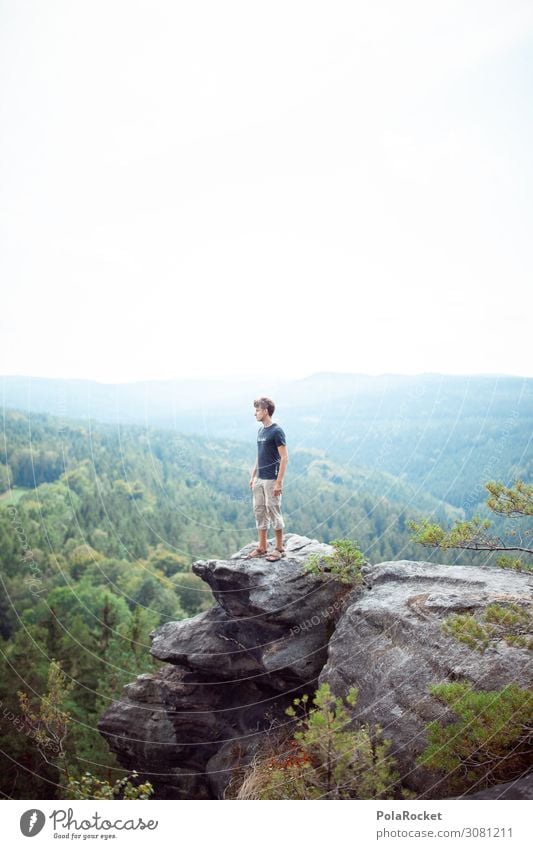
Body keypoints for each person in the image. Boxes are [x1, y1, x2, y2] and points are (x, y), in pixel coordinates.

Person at [246, 396, 288, 561]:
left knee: (273, 511)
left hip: (271, 479)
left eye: (257, 410)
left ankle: (279, 548)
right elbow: (259, 455)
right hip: (259, 479)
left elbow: (284, 458)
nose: (255, 413)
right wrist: (253, 475)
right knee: (259, 511)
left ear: (265, 411)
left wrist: (279, 481)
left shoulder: (277, 431)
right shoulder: (261, 431)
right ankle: (262, 547)